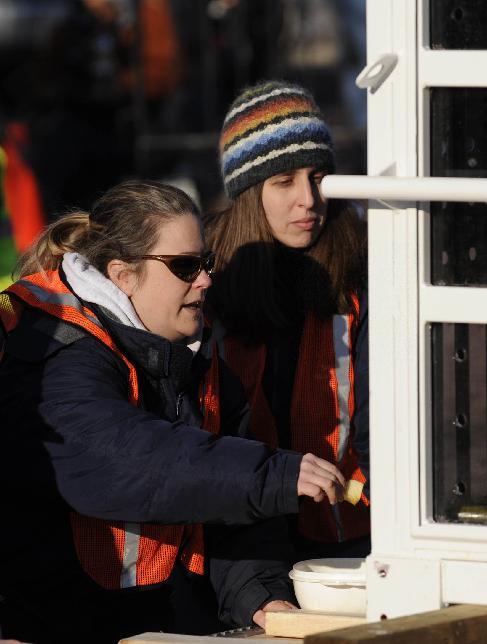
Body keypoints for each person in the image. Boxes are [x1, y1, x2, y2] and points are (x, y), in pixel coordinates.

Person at [0, 179, 347, 643]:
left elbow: (231, 514)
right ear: (123, 275)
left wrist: (262, 597)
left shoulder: (201, 358)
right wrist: (272, 474)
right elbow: (123, 460)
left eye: (206, 263)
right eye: (184, 267)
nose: (205, 280)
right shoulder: (55, 351)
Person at [205, 80, 370, 559]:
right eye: (284, 181)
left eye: (318, 177)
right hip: (238, 535)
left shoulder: (361, 268)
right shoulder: (204, 277)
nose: (309, 199)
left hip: (349, 527)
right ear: (248, 191)